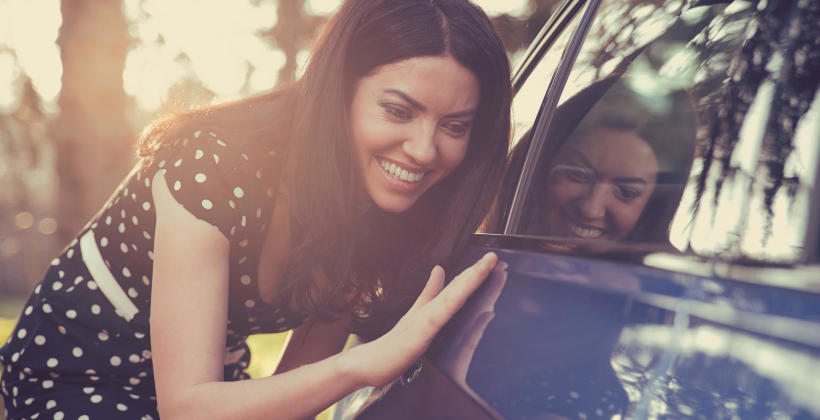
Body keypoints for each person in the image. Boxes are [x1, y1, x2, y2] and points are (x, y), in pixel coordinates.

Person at [0, 0, 512, 418]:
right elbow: (189, 407)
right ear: (339, 94)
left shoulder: (380, 210)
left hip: (215, 390)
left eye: (455, 126)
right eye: (398, 111)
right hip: (76, 375)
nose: (424, 151)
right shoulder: (213, 165)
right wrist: (363, 365)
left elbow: (292, 392)